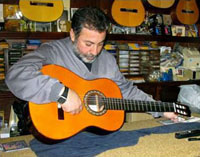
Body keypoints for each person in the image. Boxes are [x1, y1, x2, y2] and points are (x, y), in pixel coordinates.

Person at [5, 7, 177, 121]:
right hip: (58, 134)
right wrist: (61, 93)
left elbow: (126, 90)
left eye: (100, 43)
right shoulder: (52, 51)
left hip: (95, 131)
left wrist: (160, 108)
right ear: (73, 35)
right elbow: (16, 74)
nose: (95, 52)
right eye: (88, 44)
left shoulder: (108, 60)